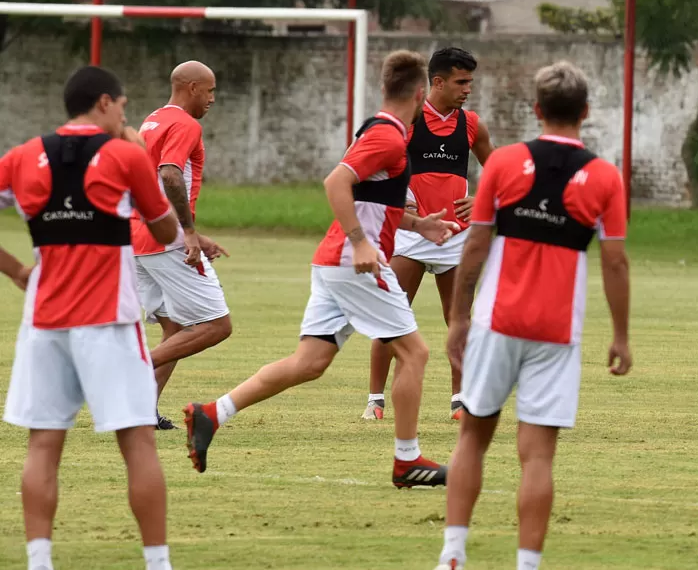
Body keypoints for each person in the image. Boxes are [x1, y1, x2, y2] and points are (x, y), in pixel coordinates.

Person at [182, 51, 458, 487]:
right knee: (416, 353)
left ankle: (212, 414)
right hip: (355, 263)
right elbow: (336, 183)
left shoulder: (380, 129)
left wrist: (417, 223)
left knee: (309, 363)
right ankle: (408, 461)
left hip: (335, 263)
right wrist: (361, 241)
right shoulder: (387, 137)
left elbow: (370, 199)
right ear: (421, 94)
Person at [425, 61, 631, 570]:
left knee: (472, 435)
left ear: (536, 110)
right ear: (586, 113)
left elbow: (474, 246)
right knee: (537, 456)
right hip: (556, 328)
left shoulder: (507, 162)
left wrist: (461, 318)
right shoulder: (606, 177)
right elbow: (615, 264)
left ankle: (451, 558)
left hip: (497, 320)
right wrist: (621, 335)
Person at [1, 66, 191, 570]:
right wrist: (134, 151)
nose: (128, 118)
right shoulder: (125, 154)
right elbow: (165, 231)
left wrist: (17, 270)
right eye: (125, 108)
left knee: (43, 443)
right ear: (104, 103)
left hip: (44, 322)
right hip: (108, 322)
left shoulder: (21, 156)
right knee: (138, 442)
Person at [365, 47, 494, 423]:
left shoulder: (470, 124)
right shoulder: (409, 120)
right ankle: (375, 400)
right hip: (411, 236)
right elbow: (378, 168)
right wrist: (397, 203)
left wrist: (483, 198)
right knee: (392, 315)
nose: (468, 89)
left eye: (470, 81)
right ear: (436, 82)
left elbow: (500, 169)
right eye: (461, 82)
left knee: (459, 319)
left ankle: (461, 400)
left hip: (456, 237)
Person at [132, 61, 233, 430]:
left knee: (175, 327)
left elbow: (150, 185)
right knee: (216, 326)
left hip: (140, 235)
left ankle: (142, 411)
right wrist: (188, 232)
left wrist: (192, 232)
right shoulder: (186, 124)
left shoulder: (152, 120)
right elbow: (170, 174)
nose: (212, 99)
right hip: (164, 241)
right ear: (191, 87)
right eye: (209, 90)